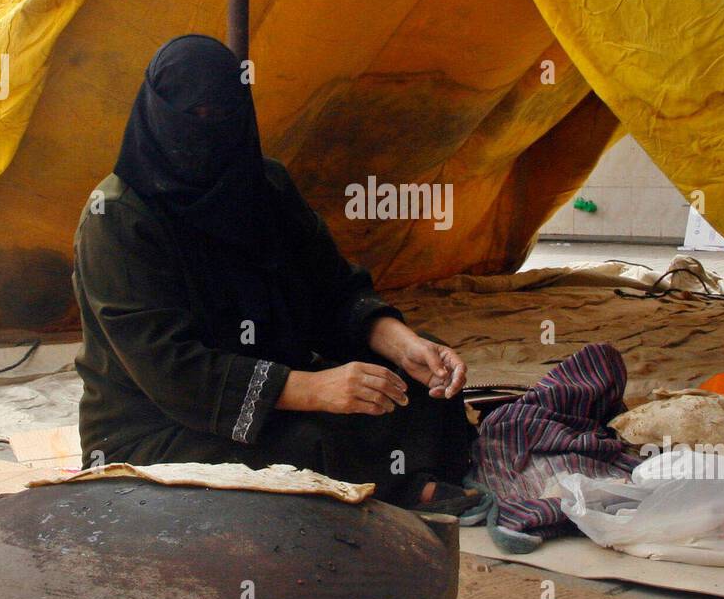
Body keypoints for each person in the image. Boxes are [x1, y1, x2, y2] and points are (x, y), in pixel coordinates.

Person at [73, 35, 475, 512]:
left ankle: (397, 477)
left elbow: (334, 290)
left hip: (276, 383)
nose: (203, 130)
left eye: (218, 115)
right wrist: (313, 389)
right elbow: (172, 370)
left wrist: (407, 346)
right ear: (153, 114)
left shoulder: (264, 185)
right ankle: (401, 484)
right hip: (158, 424)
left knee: (418, 393)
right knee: (309, 444)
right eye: (187, 116)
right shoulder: (117, 216)